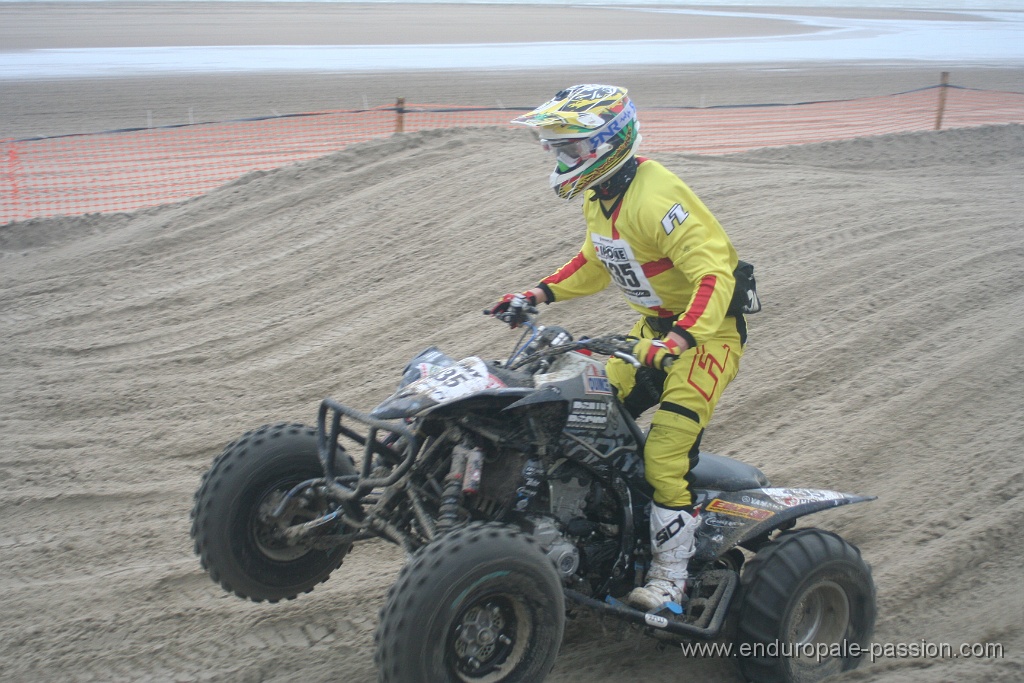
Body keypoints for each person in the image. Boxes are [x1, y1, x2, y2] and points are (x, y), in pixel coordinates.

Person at [488, 85, 751, 612]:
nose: (558, 157)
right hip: (653, 332)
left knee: (666, 453)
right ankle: (595, 527)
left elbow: (712, 274)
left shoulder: (658, 198)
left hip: (707, 338)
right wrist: (537, 293)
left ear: (606, 144)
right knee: (578, 411)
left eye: (567, 147)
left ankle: (671, 579)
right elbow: (594, 260)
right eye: (553, 147)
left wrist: (680, 339)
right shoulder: (602, 195)